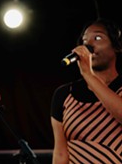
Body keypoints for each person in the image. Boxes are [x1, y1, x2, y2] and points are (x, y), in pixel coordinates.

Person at [50, 17, 122, 163]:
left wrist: (88, 75)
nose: (88, 45)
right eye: (84, 41)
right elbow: (60, 154)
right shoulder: (64, 94)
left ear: (116, 46)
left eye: (97, 38)